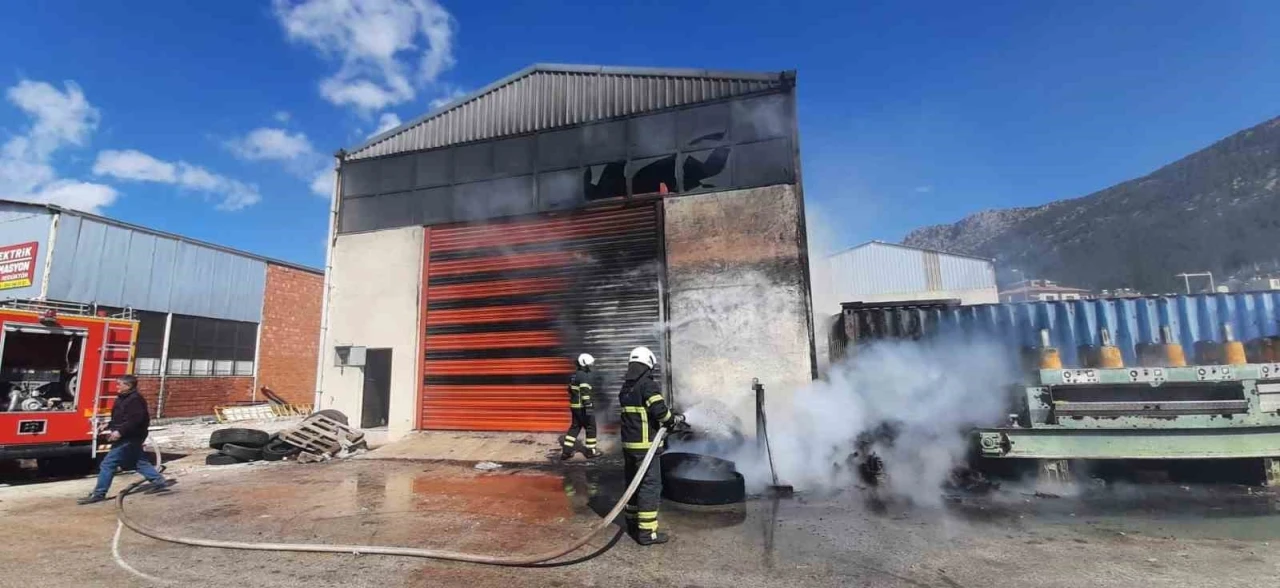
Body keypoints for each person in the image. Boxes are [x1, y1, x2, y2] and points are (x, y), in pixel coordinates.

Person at [618, 346, 683, 545]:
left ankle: (632, 524)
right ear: (648, 365)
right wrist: (673, 420)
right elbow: (661, 413)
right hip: (646, 448)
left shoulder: (626, 387)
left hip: (630, 447)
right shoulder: (647, 385)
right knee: (650, 486)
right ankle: (647, 533)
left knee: (633, 485)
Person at [77, 375, 173, 504]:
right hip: (129, 436)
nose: (117, 387)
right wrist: (109, 424)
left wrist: (119, 432)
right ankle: (159, 481)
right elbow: (121, 418)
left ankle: (99, 493)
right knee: (138, 462)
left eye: (119, 384)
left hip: (131, 436)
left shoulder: (135, 400)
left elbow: (135, 420)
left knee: (108, 464)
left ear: (128, 386)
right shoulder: (123, 398)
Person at [560, 353, 602, 460]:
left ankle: (566, 452)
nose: (590, 367)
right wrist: (588, 405)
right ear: (584, 364)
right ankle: (590, 451)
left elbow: (569, 390)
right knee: (591, 427)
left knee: (575, 427)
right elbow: (585, 392)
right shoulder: (583, 376)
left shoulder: (574, 375)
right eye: (589, 365)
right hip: (582, 407)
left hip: (574, 407)